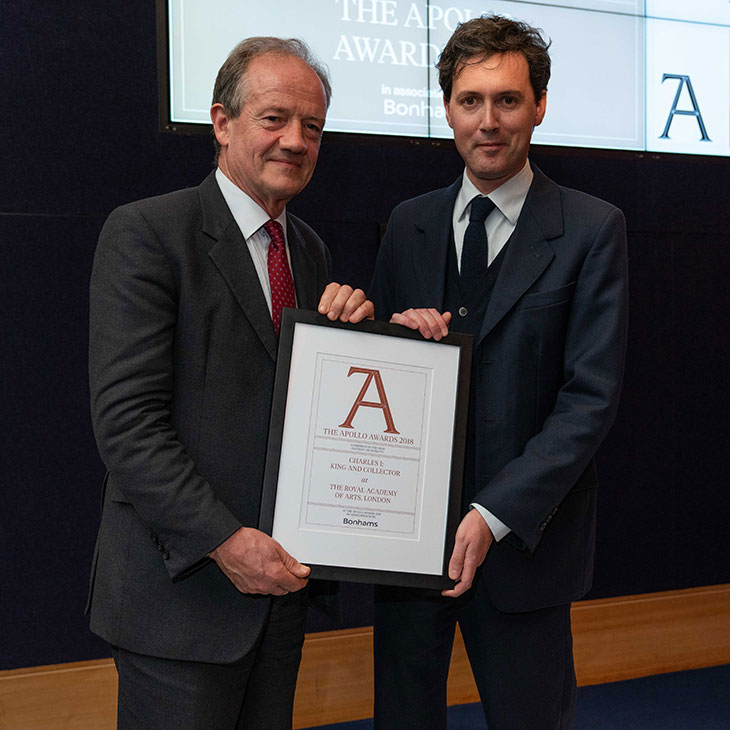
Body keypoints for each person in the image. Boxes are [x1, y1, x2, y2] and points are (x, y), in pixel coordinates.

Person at [87, 37, 372, 730]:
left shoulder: (307, 250)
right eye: (274, 118)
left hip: (277, 599)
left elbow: (293, 412)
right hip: (179, 598)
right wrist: (224, 541)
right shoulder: (149, 233)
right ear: (222, 122)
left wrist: (352, 342)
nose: (295, 140)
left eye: (312, 126)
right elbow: (127, 424)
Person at [369, 14, 628, 730]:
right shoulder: (407, 224)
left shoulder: (591, 229)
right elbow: (381, 382)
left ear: (539, 106)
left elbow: (589, 399)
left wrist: (492, 516)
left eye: (508, 100)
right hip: (404, 555)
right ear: (447, 108)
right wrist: (380, 335)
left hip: (524, 551)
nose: (489, 121)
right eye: (470, 100)